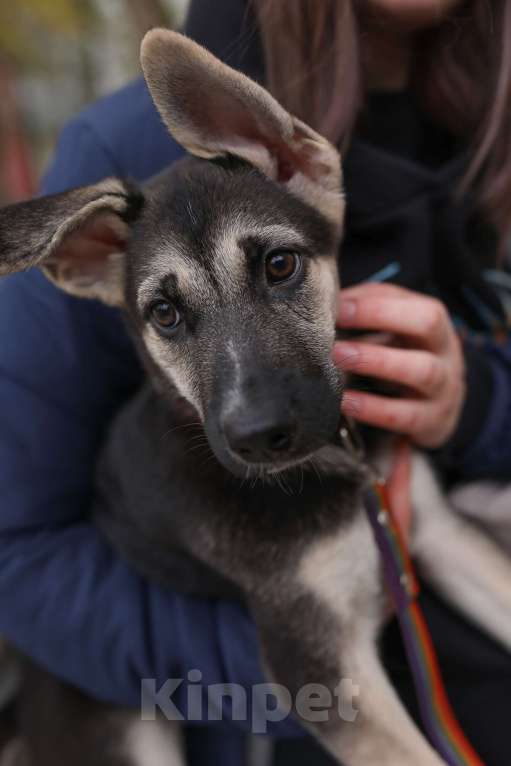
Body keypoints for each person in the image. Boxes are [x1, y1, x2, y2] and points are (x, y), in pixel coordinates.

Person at [1, 1, 511, 764]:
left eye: (276, 268)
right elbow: (19, 552)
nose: (249, 398)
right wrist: (303, 672)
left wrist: (481, 404)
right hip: (203, 704)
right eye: (170, 315)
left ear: (304, 165)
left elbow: (437, 533)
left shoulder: (479, 109)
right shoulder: (120, 148)